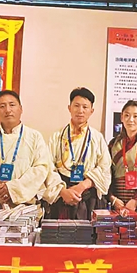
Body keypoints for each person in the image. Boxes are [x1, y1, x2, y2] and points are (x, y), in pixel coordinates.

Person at [0, 90, 51, 212]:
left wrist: (12, 188)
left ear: (21, 109)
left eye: (12, 105)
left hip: (25, 206)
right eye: (2, 106)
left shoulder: (34, 136)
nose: (8, 110)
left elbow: (40, 168)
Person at [43, 88, 112, 219]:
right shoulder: (57, 136)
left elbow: (104, 168)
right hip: (62, 195)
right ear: (69, 108)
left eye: (85, 107)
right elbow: (47, 167)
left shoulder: (97, 138)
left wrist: (82, 186)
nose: (80, 110)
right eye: (76, 106)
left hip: (88, 196)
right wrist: (62, 191)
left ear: (91, 111)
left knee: (89, 231)